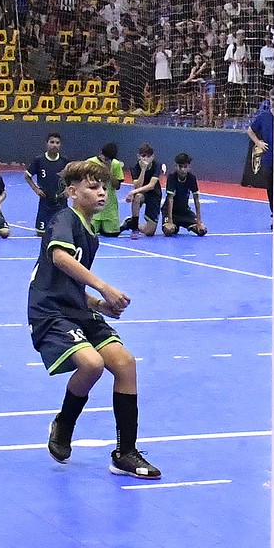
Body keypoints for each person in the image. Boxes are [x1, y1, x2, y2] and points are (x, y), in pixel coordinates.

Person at [30, 158, 161, 480]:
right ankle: (64, 423)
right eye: (93, 187)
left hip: (77, 308)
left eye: (104, 186)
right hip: (50, 311)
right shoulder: (64, 218)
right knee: (91, 364)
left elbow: (71, 282)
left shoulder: (91, 233)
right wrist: (103, 285)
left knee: (125, 363)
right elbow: (58, 258)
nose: (102, 192)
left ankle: (125, 453)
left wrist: (97, 305)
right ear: (73, 191)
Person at [26, 131, 66, 236]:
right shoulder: (39, 160)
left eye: (57, 143)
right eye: (52, 142)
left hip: (61, 201)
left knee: (62, 232)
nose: (54, 145)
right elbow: (27, 176)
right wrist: (36, 189)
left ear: (60, 145)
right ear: (47, 143)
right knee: (41, 233)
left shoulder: (64, 161)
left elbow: (73, 179)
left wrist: (68, 190)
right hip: (45, 201)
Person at [121, 144, 164, 237]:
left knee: (149, 232)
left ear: (153, 157)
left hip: (154, 195)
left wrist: (132, 192)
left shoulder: (157, 166)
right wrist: (143, 170)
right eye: (143, 156)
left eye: (148, 156)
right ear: (138, 156)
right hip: (142, 194)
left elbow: (151, 185)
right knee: (137, 197)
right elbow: (138, 186)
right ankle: (135, 226)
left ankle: (129, 223)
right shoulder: (135, 167)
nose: (145, 159)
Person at [162, 152, 206, 237]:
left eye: (185, 167)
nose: (182, 170)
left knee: (202, 231)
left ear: (189, 167)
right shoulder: (171, 178)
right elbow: (170, 199)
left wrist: (199, 222)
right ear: (176, 166)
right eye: (180, 166)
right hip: (170, 212)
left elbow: (196, 200)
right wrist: (170, 222)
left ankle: (182, 223)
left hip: (184, 212)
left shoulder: (192, 178)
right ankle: (175, 225)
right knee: (169, 231)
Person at [244, 98, 274, 212]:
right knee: (270, 188)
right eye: (272, 99)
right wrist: (258, 142)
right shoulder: (264, 116)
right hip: (268, 158)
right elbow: (250, 130)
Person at [89, 143, 125, 238]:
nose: (107, 161)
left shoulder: (115, 164)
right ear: (100, 153)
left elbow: (117, 186)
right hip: (93, 206)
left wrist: (108, 171)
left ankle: (124, 224)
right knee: (89, 233)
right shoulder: (90, 163)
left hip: (109, 207)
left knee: (112, 234)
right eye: (105, 158)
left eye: (109, 159)